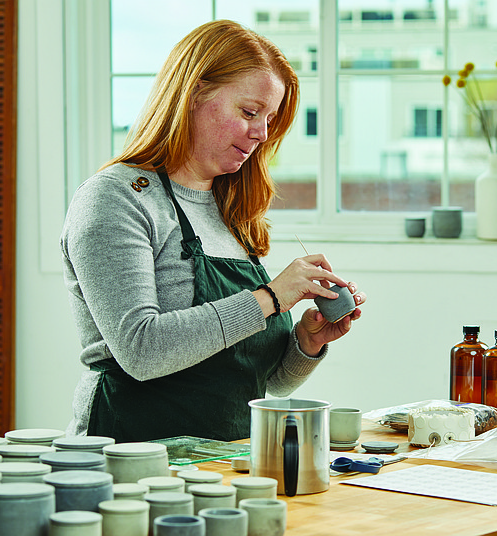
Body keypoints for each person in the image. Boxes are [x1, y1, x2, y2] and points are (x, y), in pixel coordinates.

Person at [60, 19, 366, 443]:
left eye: (270, 120)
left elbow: (259, 382)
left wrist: (307, 340)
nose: (261, 133)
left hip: (227, 461)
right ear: (195, 93)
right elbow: (141, 351)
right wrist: (270, 298)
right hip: (130, 459)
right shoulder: (116, 198)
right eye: (249, 111)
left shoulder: (231, 214)